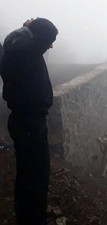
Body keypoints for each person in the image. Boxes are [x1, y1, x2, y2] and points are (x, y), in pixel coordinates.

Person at [1, 18, 58, 225]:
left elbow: (39, 37)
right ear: (37, 38)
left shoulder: (16, 49)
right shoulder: (22, 51)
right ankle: (33, 220)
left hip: (25, 120)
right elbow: (46, 34)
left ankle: (29, 217)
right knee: (35, 176)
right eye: (49, 41)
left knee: (29, 174)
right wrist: (29, 29)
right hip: (29, 123)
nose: (50, 45)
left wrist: (28, 31)